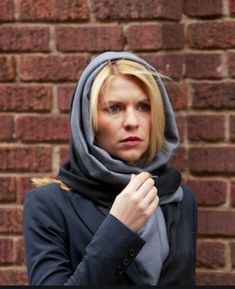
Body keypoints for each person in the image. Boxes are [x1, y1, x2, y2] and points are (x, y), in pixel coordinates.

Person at [23, 51, 197, 286]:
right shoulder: (49, 205)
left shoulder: (179, 197)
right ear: (88, 121)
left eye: (144, 106)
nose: (132, 121)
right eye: (114, 108)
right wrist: (119, 228)